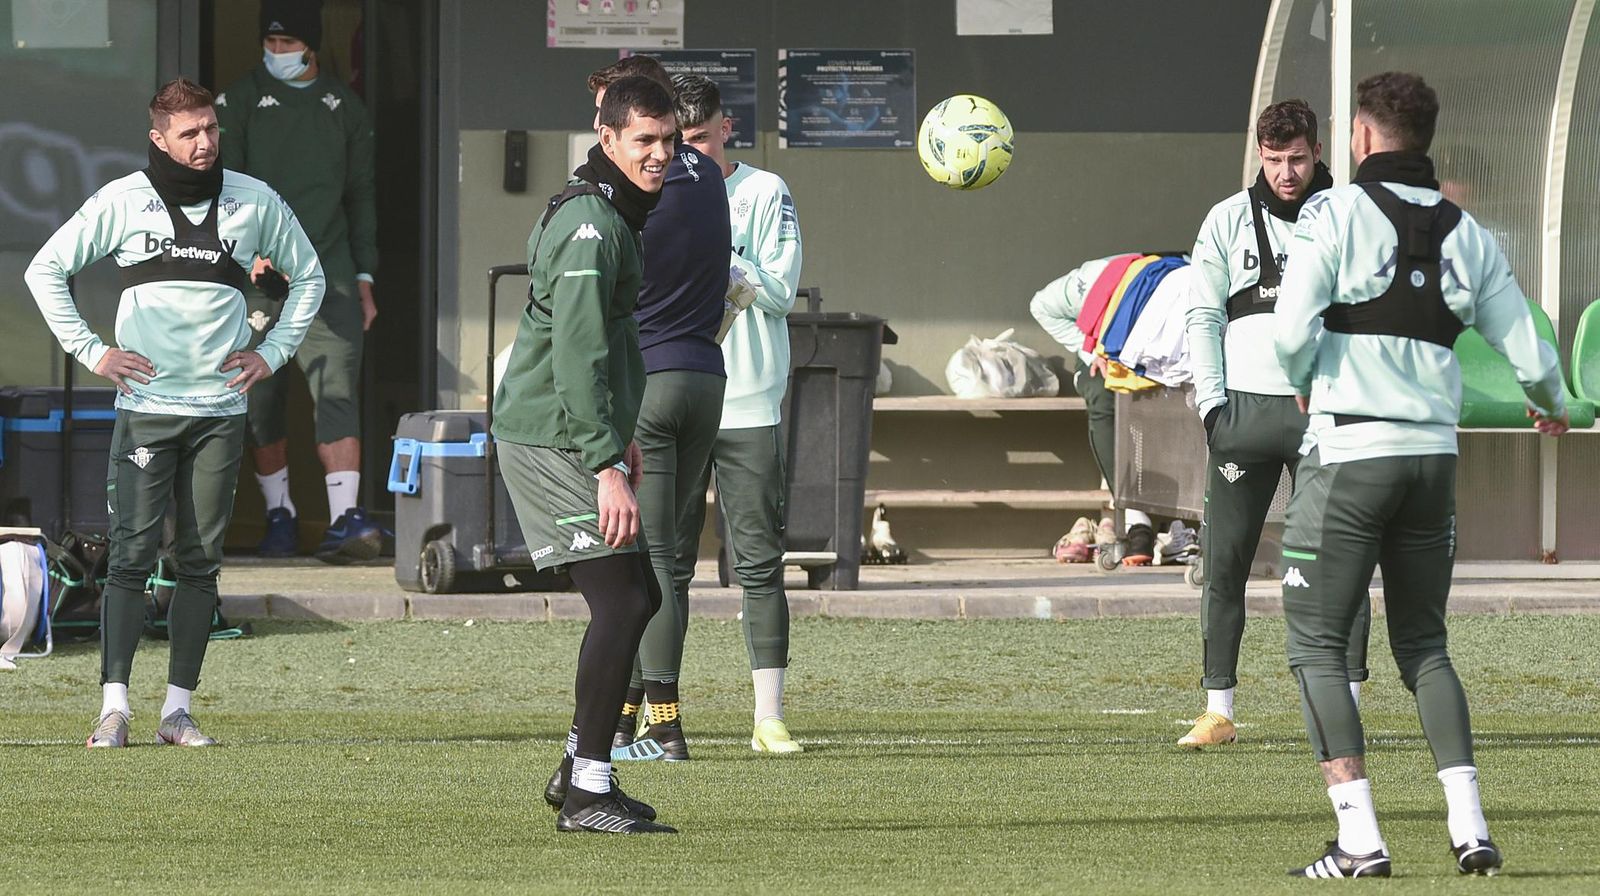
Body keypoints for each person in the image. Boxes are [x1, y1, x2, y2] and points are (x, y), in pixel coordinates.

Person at [1275, 71, 1567, 878]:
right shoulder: (1469, 233)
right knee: (1426, 647)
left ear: (1362, 137)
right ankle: (1470, 828)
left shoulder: (1331, 213)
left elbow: (1293, 328)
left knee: (1318, 650)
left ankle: (1361, 841)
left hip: (1350, 455)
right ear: (1425, 138)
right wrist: (1551, 404)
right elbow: (1530, 354)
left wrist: (1303, 374)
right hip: (1434, 459)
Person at [24, 78, 324, 748]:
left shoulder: (254, 199)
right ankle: (115, 710)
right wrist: (93, 353)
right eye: (189, 133)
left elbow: (310, 277)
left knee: (200, 563)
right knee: (129, 558)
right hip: (147, 411)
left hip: (219, 412)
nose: (205, 143)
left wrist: (270, 354)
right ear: (159, 138)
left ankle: (177, 712)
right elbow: (45, 269)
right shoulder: (123, 199)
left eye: (211, 129)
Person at [493, 76, 678, 834]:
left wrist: (616, 428)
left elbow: (602, 347)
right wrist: (605, 462)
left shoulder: (610, 211)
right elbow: (574, 351)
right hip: (551, 438)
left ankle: (579, 766)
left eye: (668, 141)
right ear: (607, 140)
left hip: (574, 429)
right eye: (644, 141)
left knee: (642, 597)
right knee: (626, 600)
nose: (660, 155)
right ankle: (589, 792)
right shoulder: (593, 226)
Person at [1178, 99, 1367, 749]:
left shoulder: (1351, 218)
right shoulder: (1227, 220)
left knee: (1338, 558)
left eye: (1296, 158)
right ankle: (1218, 710)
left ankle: (1344, 706)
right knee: (1223, 564)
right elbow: (1202, 314)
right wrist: (1210, 406)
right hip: (1246, 414)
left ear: (1318, 151)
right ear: (1259, 154)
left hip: (1329, 412)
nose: (1286, 172)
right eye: (1273, 159)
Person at [581, 57, 733, 763]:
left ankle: (661, 726)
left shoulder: (625, 192)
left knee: (653, 564)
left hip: (652, 378)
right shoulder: (710, 175)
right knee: (672, 562)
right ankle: (631, 718)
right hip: (706, 374)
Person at [217, 0, 382, 563]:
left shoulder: (345, 107)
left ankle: (346, 520)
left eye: (289, 44)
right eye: (272, 43)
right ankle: (278, 515)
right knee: (260, 397)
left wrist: (363, 276)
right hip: (258, 276)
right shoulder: (237, 102)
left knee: (336, 389)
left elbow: (361, 196)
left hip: (328, 272)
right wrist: (248, 254)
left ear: (312, 46)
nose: (278, 52)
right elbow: (224, 188)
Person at [672, 73, 805, 756]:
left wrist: (712, 247)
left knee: (758, 561)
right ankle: (658, 713)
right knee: (665, 564)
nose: (685, 152)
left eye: (698, 138)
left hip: (747, 396)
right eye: (676, 139)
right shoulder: (654, 185)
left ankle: (769, 716)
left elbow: (779, 290)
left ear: (726, 129)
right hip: (673, 398)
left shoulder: (763, 191)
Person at [1029, 256, 1152, 563]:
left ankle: (1198, 521)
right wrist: (1090, 350)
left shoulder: (1178, 281)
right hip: (1101, 355)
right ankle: (1135, 517)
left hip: (1161, 353)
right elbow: (1040, 305)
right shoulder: (1086, 283)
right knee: (1102, 393)